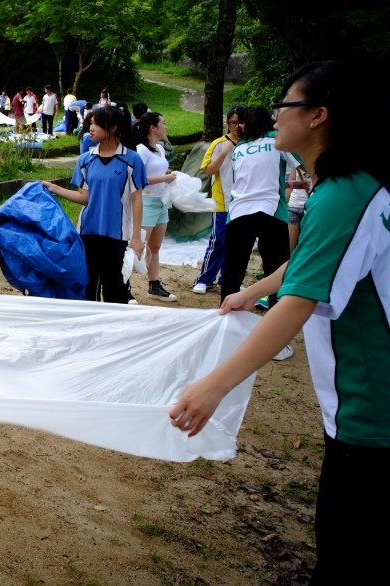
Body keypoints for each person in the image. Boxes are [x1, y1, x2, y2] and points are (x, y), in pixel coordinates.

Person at [169, 61, 390, 583]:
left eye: (284, 105)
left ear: (318, 115)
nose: (274, 117)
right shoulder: (354, 186)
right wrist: (252, 292)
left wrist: (213, 386)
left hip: (371, 409)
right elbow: (306, 264)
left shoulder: (340, 196)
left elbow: (297, 303)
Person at [43, 104, 147, 303]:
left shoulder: (132, 160)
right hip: (87, 233)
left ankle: (113, 323)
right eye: (90, 123)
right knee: (88, 287)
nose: (90, 128)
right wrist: (54, 188)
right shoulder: (85, 160)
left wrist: (136, 237)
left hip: (118, 235)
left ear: (113, 128)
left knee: (115, 289)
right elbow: (84, 197)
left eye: (96, 124)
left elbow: (137, 200)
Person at [218, 105, 299, 304]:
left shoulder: (238, 148)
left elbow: (247, 179)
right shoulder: (278, 140)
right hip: (271, 212)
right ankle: (276, 313)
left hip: (239, 212)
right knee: (275, 268)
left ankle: (225, 313)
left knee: (232, 271)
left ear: (248, 124)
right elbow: (304, 164)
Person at [193, 105, 246, 294]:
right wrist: (224, 152)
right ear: (227, 123)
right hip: (222, 201)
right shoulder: (218, 144)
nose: (236, 127)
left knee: (238, 244)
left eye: (240, 122)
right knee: (218, 241)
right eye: (232, 123)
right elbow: (207, 171)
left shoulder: (250, 142)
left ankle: (229, 279)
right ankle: (205, 279)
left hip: (244, 202)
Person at [134, 112, 178, 302]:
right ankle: (124, 285)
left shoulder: (159, 148)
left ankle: (154, 284)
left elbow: (159, 172)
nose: (165, 127)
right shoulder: (141, 150)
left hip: (161, 201)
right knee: (138, 247)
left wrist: (169, 178)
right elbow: (138, 178)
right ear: (153, 128)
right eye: (163, 123)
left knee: (155, 247)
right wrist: (165, 178)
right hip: (146, 202)